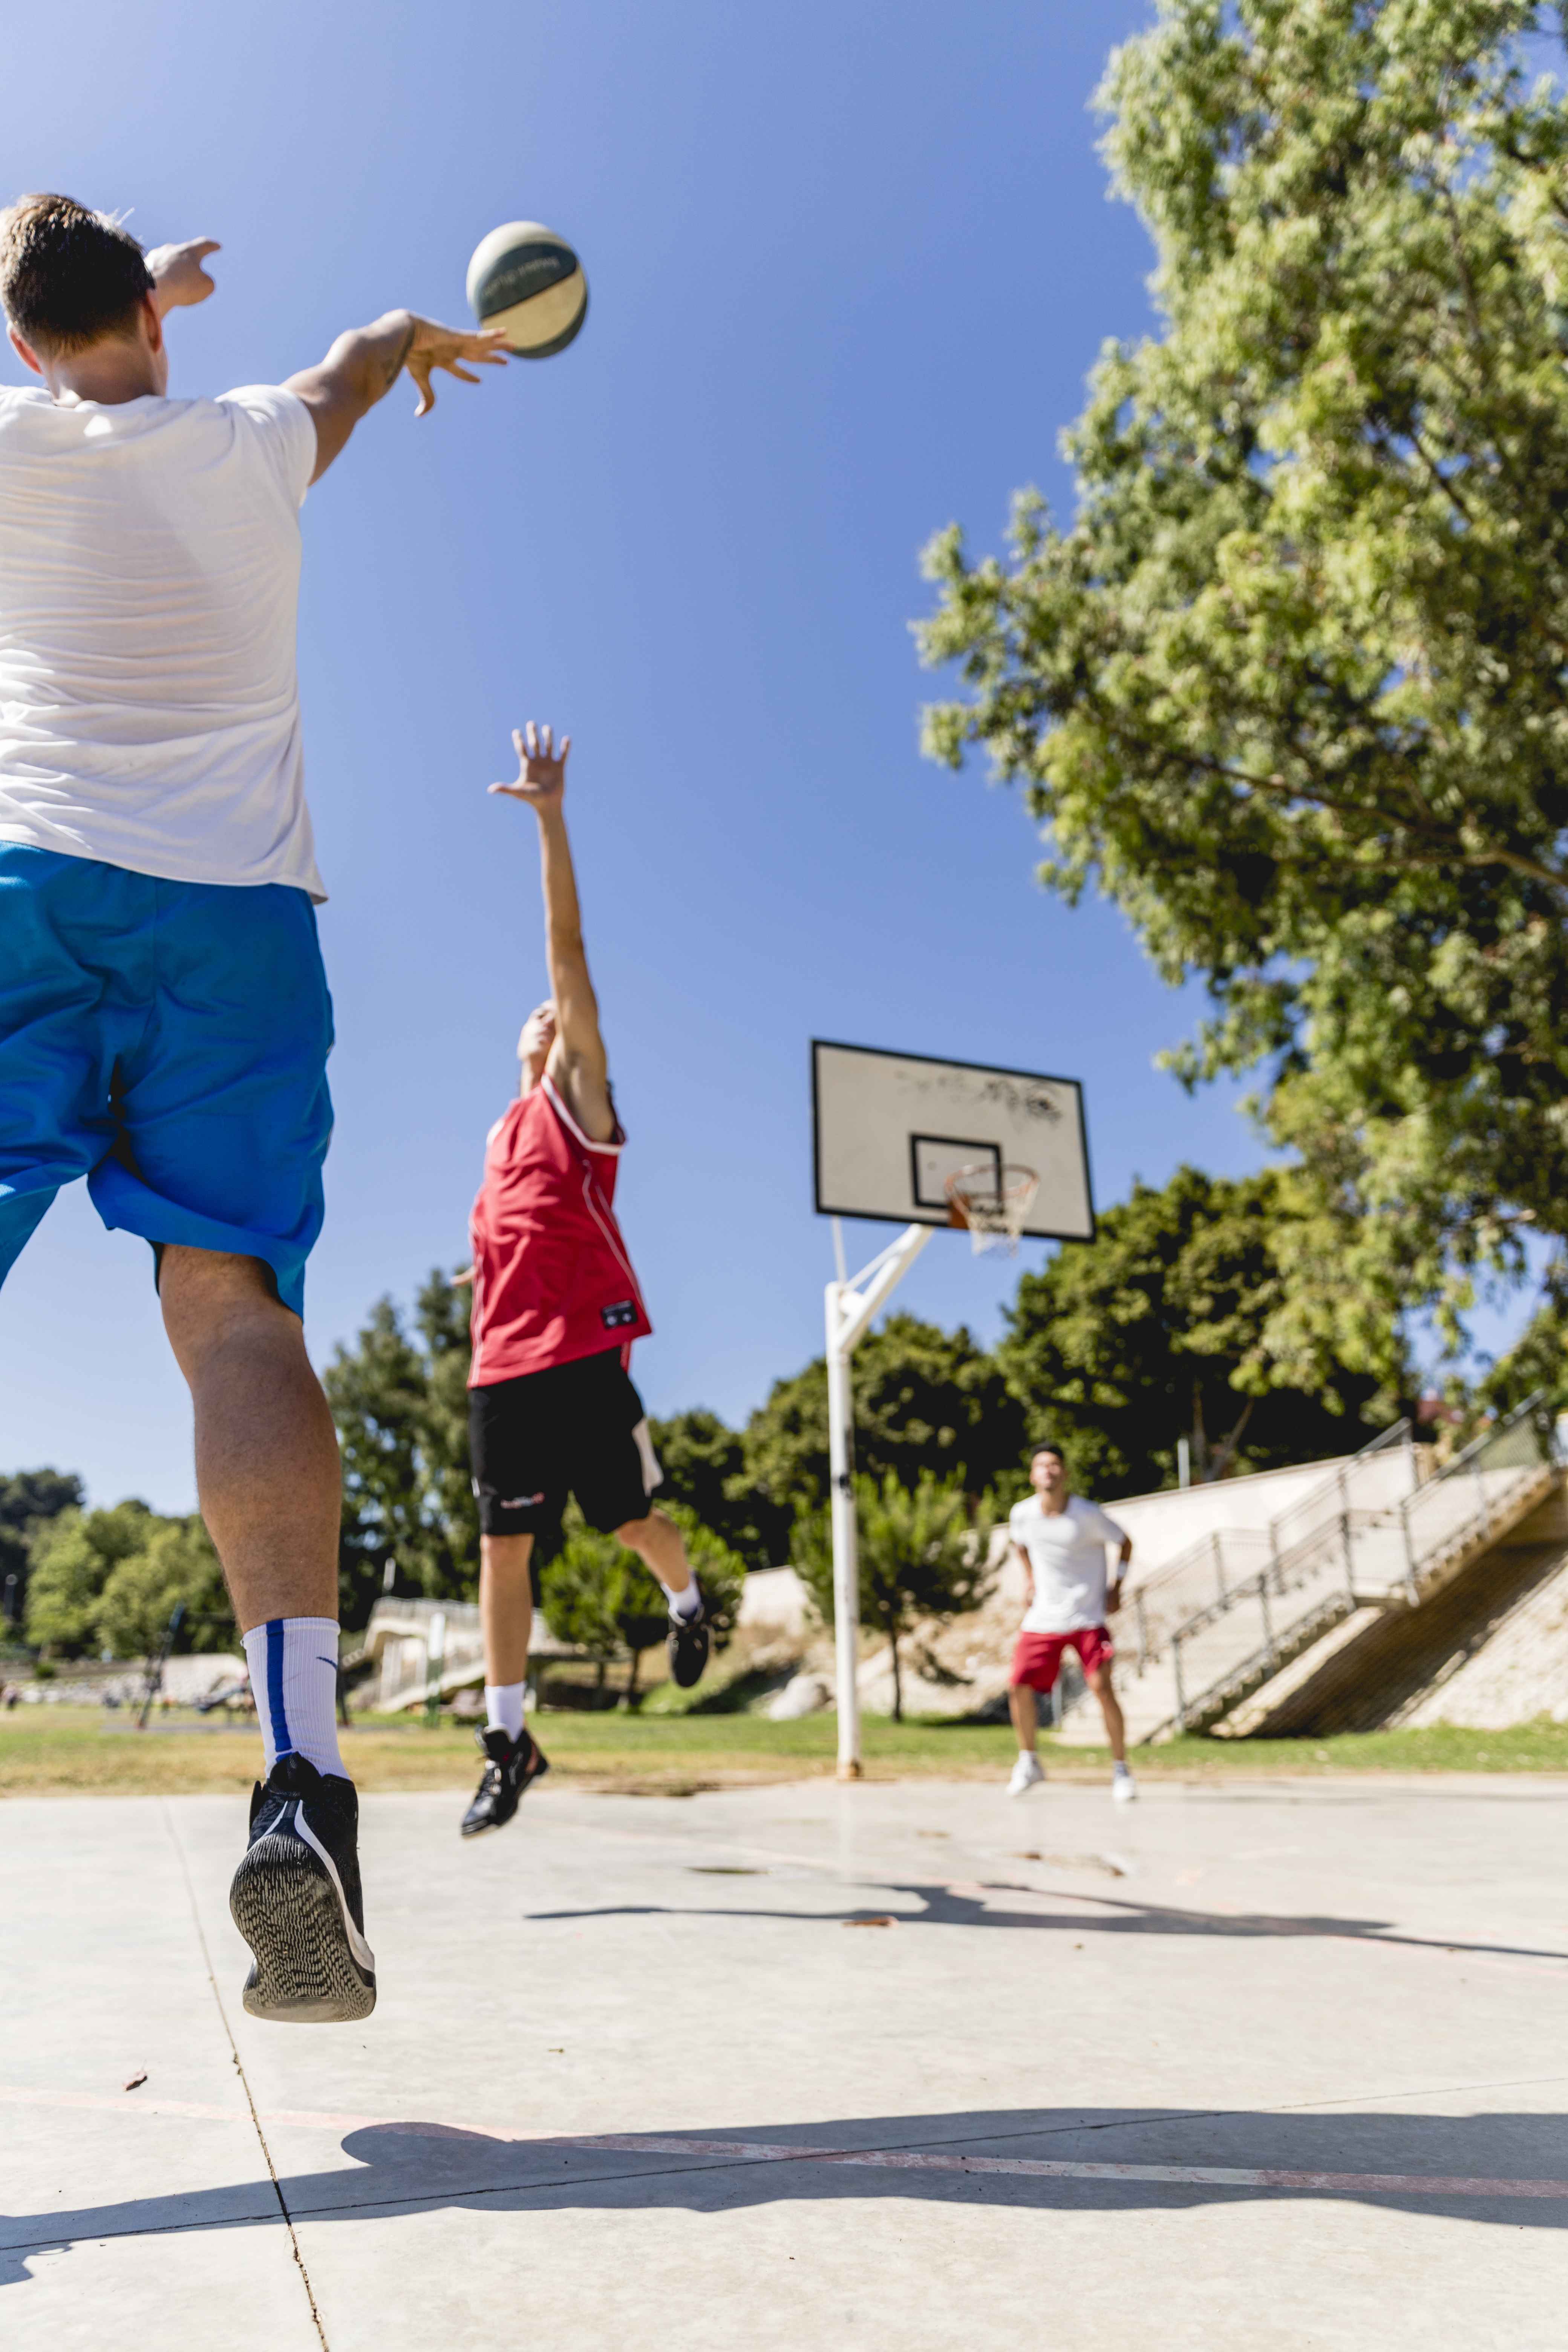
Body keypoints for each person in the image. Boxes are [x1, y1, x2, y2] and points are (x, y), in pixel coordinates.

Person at [0, 194, 508, 2021]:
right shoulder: (250, 442)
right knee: (231, 1319)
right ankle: (305, 1786)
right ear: (148, 309)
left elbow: (54, 340)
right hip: (233, 934)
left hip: (28, 897)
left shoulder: (12, 445)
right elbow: (367, 355)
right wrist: (386, 333)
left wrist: (97, 294)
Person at [458, 720, 711, 1838]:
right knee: (499, 1547)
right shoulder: (501, 1127)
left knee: (630, 1521)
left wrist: (551, 822)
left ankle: (687, 1596)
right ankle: (508, 1738)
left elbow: (569, 951)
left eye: (557, 1010)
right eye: (537, 1014)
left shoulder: (582, 1106)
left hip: (582, 1351)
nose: (547, 1007)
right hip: (501, 1365)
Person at [1005, 1441, 1136, 1804]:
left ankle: (1121, 1770)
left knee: (1100, 1687)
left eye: (1055, 1465)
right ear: (1033, 1476)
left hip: (1087, 1615)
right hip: (1044, 1616)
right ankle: (1029, 1761)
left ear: (1064, 1473)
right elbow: (1020, 1545)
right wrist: (1030, 1578)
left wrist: (1116, 1586)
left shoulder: (1087, 1515)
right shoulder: (1023, 1514)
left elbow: (1125, 1542)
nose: (1048, 1471)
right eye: (1041, 1466)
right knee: (1018, 1685)